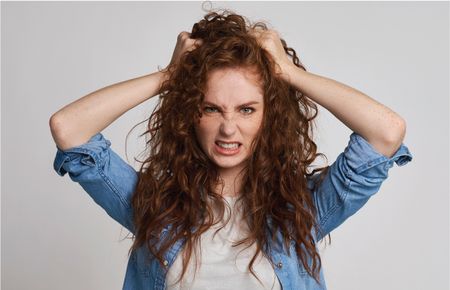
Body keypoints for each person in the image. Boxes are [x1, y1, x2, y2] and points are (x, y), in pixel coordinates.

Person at [50, 10, 413, 290]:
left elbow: (386, 131)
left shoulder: (301, 209)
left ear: (269, 117)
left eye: (246, 109)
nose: (228, 127)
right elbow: (69, 128)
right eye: (211, 108)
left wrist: (289, 74)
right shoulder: (155, 206)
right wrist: (170, 76)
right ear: (190, 114)